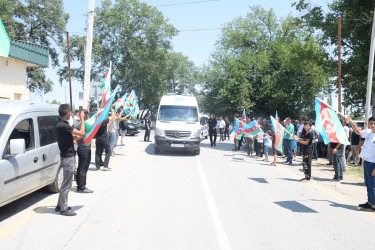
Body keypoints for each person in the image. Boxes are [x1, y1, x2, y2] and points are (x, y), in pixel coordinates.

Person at [55, 104, 86, 216]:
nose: (71, 114)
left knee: (65, 182)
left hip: (66, 156)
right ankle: (64, 209)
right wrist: (82, 119)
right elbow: (82, 133)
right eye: (70, 112)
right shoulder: (63, 125)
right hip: (68, 157)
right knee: (67, 184)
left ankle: (60, 205)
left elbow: (72, 137)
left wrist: (79, 136)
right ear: (67, 112)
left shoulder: (60, 125)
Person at [347, 116, 375, 211]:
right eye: (371, 123)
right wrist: (351, 122)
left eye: (374, 123)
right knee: (367, 184)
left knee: (372, 185)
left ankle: (373, 206)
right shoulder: (368, 132)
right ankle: (370, 202)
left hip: (373, 164)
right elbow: (358, 132)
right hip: (366, 162)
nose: (373, 125)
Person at [74, 109, 93, 193]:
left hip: (82, 147)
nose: (88, 117)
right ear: (85, 115)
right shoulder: (81, 125)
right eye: (88, 115)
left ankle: (79, 185)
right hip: (84, 148)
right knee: (83, 168)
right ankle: (82, 187)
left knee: (81, 167)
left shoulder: (80, 124)